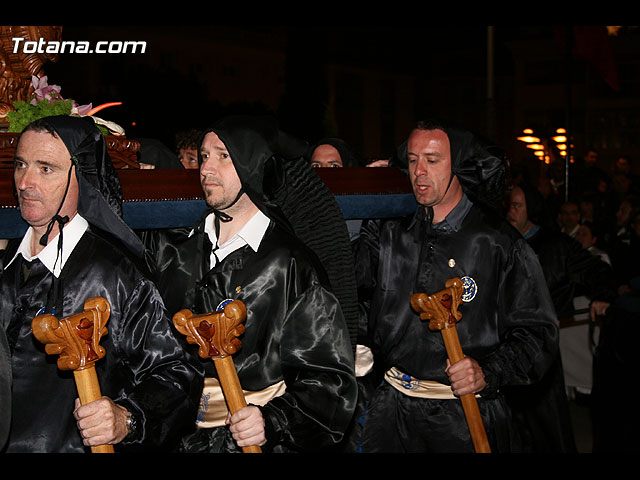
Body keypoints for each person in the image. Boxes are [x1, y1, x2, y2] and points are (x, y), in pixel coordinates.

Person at [143, 115, 358, 453]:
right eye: (203, 156)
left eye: (223, 156)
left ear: (253, 164)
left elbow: (328, 383)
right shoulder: (175, 254)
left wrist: (271, 421)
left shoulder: (290, 264)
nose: (206, 170)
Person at [354, 119, 558, 453]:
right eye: (412, 160)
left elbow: (537, 333)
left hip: (462, 417)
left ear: (458, 165)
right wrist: (365, 198)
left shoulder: (496, 242)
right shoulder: (390, 230)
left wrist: (488, 371)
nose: (419, 171)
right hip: (392, 412)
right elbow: (358, 294)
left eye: (432, 161)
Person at [0, 115, 202, 453]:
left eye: (45, 168)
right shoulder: (6, 264)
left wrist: (126, 418)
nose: (24, 182)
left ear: (82, 175)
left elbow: (176, 374)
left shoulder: (117, 274)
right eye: (21, 165)